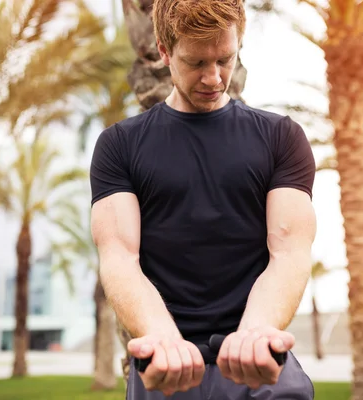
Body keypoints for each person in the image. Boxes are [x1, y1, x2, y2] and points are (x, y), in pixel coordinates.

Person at [89, 0, 316, 398]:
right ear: (163, 51)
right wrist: (164, 340)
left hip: (258, 359)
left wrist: (254, 335)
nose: (214, 78)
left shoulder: (282, 138)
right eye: (196, 63)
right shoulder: (119, 146)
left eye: (225, 59)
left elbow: (289, 252)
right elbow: (120, 258)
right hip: (166, 366)